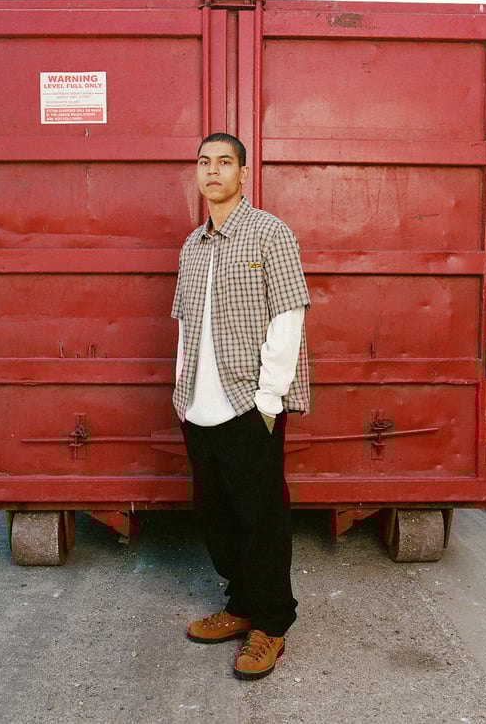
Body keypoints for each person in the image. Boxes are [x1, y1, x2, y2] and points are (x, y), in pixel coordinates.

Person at [171, 132, 310, 681]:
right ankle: (242, 605)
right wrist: (181, 392)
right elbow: (185, 325)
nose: (213, 170)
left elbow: (289, 317)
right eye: (204, 162)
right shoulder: (192, 245)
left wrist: (268, 400)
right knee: (217, 515)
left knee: (261, 518)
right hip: (198, 406)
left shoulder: (271, 233)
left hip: (249, 404)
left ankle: (271, 623)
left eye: (224, 162)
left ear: (243, 173)